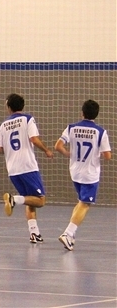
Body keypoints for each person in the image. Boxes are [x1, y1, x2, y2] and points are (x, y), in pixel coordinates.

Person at [0, 93, 54, 243]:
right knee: (40, 200)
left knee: (30, 200)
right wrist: (46, 150)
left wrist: (10, 151)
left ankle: (34, 233)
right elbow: (34, 139)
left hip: (12, 169)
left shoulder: (3, 125)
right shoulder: (28, 119)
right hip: (27, 166)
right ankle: (14, 200)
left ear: (9, 107)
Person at [54, 100, 111, 251]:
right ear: (96, 114)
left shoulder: (71, 128)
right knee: (85, 204)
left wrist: (68, 154)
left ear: (82, 113)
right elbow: (107, 156)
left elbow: (58, 146)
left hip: (75, 171)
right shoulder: (100, 132)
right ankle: (68, 233)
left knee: (81, 202)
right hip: (90, 173)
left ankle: (71, 236)